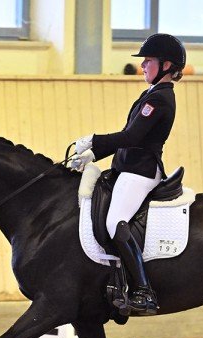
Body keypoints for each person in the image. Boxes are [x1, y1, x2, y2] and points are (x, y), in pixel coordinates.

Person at [68, 33, 186, 316]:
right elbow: (130, 140)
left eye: (149, 61)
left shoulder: (160, 98)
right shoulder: (151, 94)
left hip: (141, 172)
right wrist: (92, 156)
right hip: (128, 167)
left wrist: (93, 140)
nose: (143, 65)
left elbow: (132, 135)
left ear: (166, 64)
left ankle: (144, 291)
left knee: (114, 222)